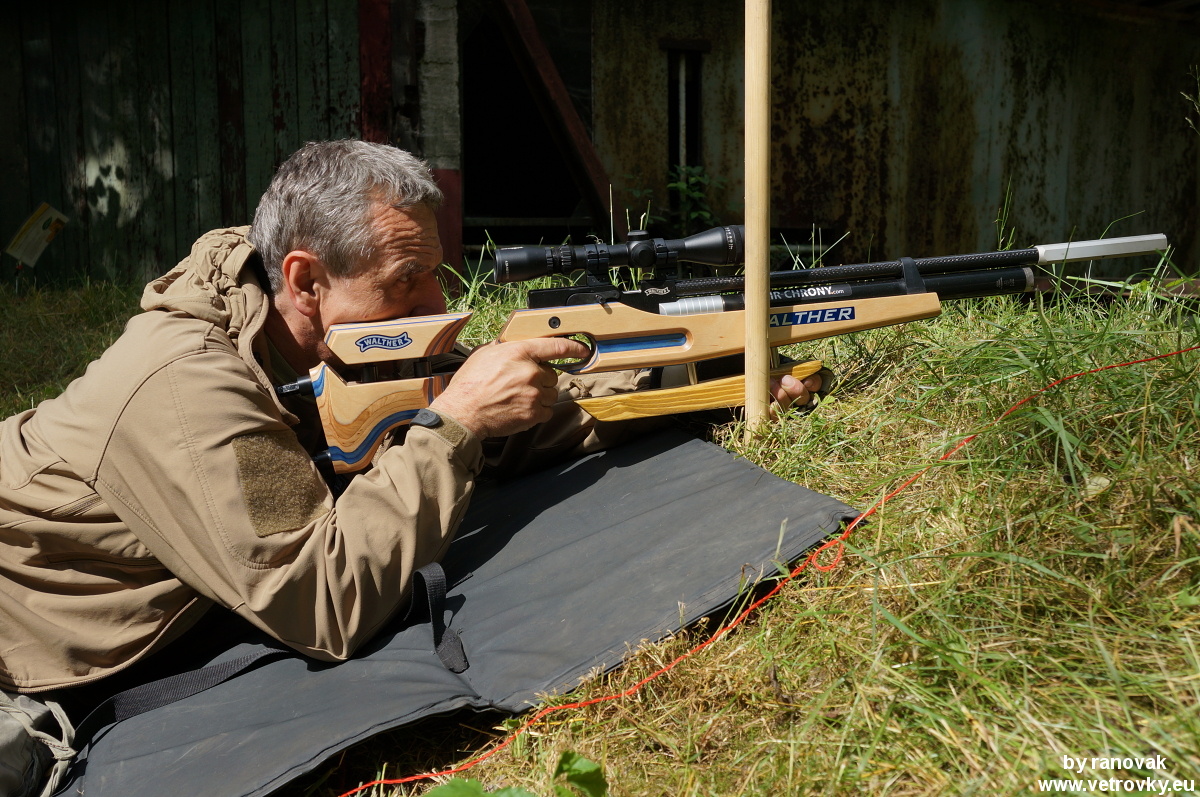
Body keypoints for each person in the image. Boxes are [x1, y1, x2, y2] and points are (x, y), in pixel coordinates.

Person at [0, 140, 820, 794]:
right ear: (306, 279)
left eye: (437, 271)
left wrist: (694, 381)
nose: (437, 306)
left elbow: (515, 420)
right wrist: (455, 421)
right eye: (408, 280)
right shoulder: (185, 387)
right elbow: (324, 603)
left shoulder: (315, 334)